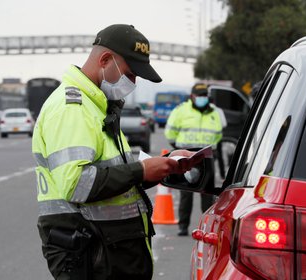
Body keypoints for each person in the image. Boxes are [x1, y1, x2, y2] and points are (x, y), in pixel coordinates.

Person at [32, 24, 199, 280]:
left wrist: (163, 164)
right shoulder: (72, 108)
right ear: (105, 60)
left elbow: (111, 168)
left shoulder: (97, 106)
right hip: (91, 252)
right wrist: (141, 169)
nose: (132, 83)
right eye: (130, 74)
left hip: (107, 248)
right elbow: (77, 184)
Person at [164, 82, 223, 236]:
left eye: (205, 95)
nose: (202, 98)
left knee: (207, 192)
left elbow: (218, 133)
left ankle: (207, 226)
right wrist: (178, 148)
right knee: (186, 192)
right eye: (199, 95)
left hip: (206, 156)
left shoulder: (214, 112)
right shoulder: (181, 110)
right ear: (192, 96)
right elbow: (170, 132)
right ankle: (183, 226)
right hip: (185, 155)